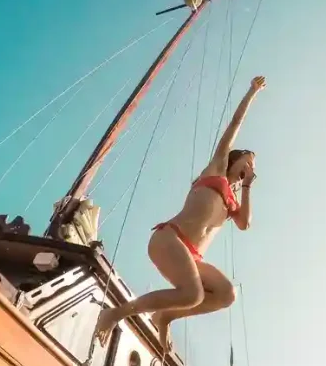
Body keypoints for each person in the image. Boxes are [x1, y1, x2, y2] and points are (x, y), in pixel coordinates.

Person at [95, 76, 266, 349]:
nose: (252, 165)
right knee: (193, 294)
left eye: (254, 164)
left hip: (192, 256)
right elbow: (234, 125)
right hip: (169, 238)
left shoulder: (233, 203)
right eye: (249, 159)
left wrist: (246, 186)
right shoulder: (216, 169)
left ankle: (165, 316)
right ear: (237, 159)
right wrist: (252, 92)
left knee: (226, 294)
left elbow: (245, 224)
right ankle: (115, 313)